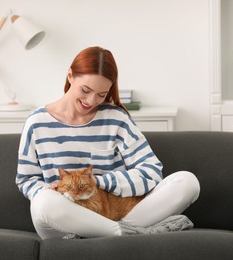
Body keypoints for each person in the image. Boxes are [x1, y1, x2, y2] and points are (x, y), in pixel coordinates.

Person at [16, 46, 200, 240]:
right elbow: (26, 179)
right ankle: (124, 234)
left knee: (187, 182)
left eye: (101, 94)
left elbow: (152, 172)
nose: (91, 100)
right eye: (85, 90)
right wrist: (50, 191)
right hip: (63, 218)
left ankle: (101, 234)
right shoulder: (36, 123)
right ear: (70, 76)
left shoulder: (116, 119)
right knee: (43, 202)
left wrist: (99, 182)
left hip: (114, 211)